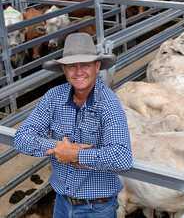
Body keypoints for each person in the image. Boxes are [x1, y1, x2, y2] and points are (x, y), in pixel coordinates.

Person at [14, 33, 133, 218]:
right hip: (62, 202)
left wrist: (76, 155)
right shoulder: (54, 97)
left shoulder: (108, 103)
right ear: (64, 70)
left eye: (85, 64)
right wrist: (59, 148)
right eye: (71, 66)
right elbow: (22, 138)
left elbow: (122, 157)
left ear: (97, 66)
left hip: (97, 208)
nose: (78, 72)